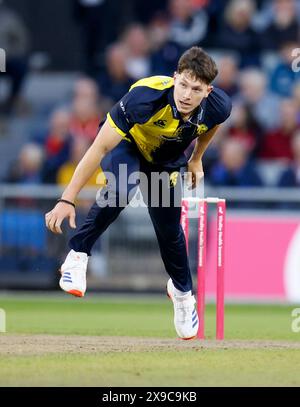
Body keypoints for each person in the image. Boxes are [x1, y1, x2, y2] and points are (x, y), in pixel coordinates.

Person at [45, 47, 232, 340]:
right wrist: (66, 199)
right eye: (182, 84)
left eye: (195, 89)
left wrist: (196, 159)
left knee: (169, 231)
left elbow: (211, 126)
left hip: (165, 162)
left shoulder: (219, 105)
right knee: (121, 188)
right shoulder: (145, 97)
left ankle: (183, 295)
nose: (186, 95)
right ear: (174, 78)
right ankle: (77, 255)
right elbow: (100, 147)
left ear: (208, 91)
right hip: (128, 147)